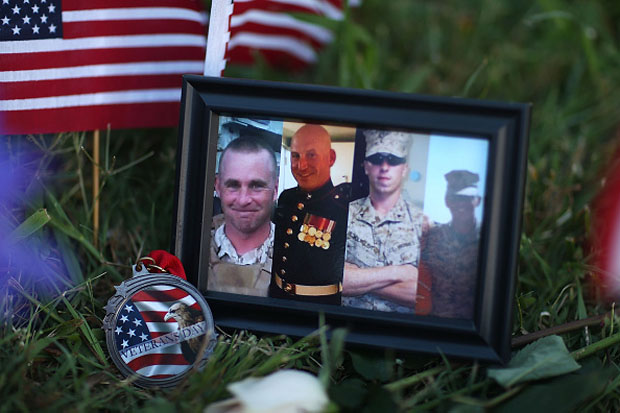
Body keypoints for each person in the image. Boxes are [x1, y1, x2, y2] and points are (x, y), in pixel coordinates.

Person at [342, 129, 431, 313]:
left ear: (404, 169)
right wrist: (401, 273)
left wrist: (358, 277)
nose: (384, 167)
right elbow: (335, 278)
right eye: (376, 159)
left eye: (393, 160)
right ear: (366, 166)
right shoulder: (344, 214)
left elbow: (424, 293)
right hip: (348, 328)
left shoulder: (422, 222)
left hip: (402, 334)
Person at [269, 124, 351, 304]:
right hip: (277, 298)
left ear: (330, 158)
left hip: (319, 308)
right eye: (295, 156)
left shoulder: (344, 206)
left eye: (311, 155)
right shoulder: (286, 198)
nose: (301, 165)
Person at [208, 136, 278, 297]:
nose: (243, 199)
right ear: (218, 187)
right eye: (233, 185)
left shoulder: (296, 255)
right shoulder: (192, 248)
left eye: (256, 186)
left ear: (274, 190)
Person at [419, 170, 482, 319]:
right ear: (447, 201)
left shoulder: (488, 243)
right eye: (455, 198)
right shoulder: (433, 235)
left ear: (477, 200)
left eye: (466, 198)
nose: (460, 204)